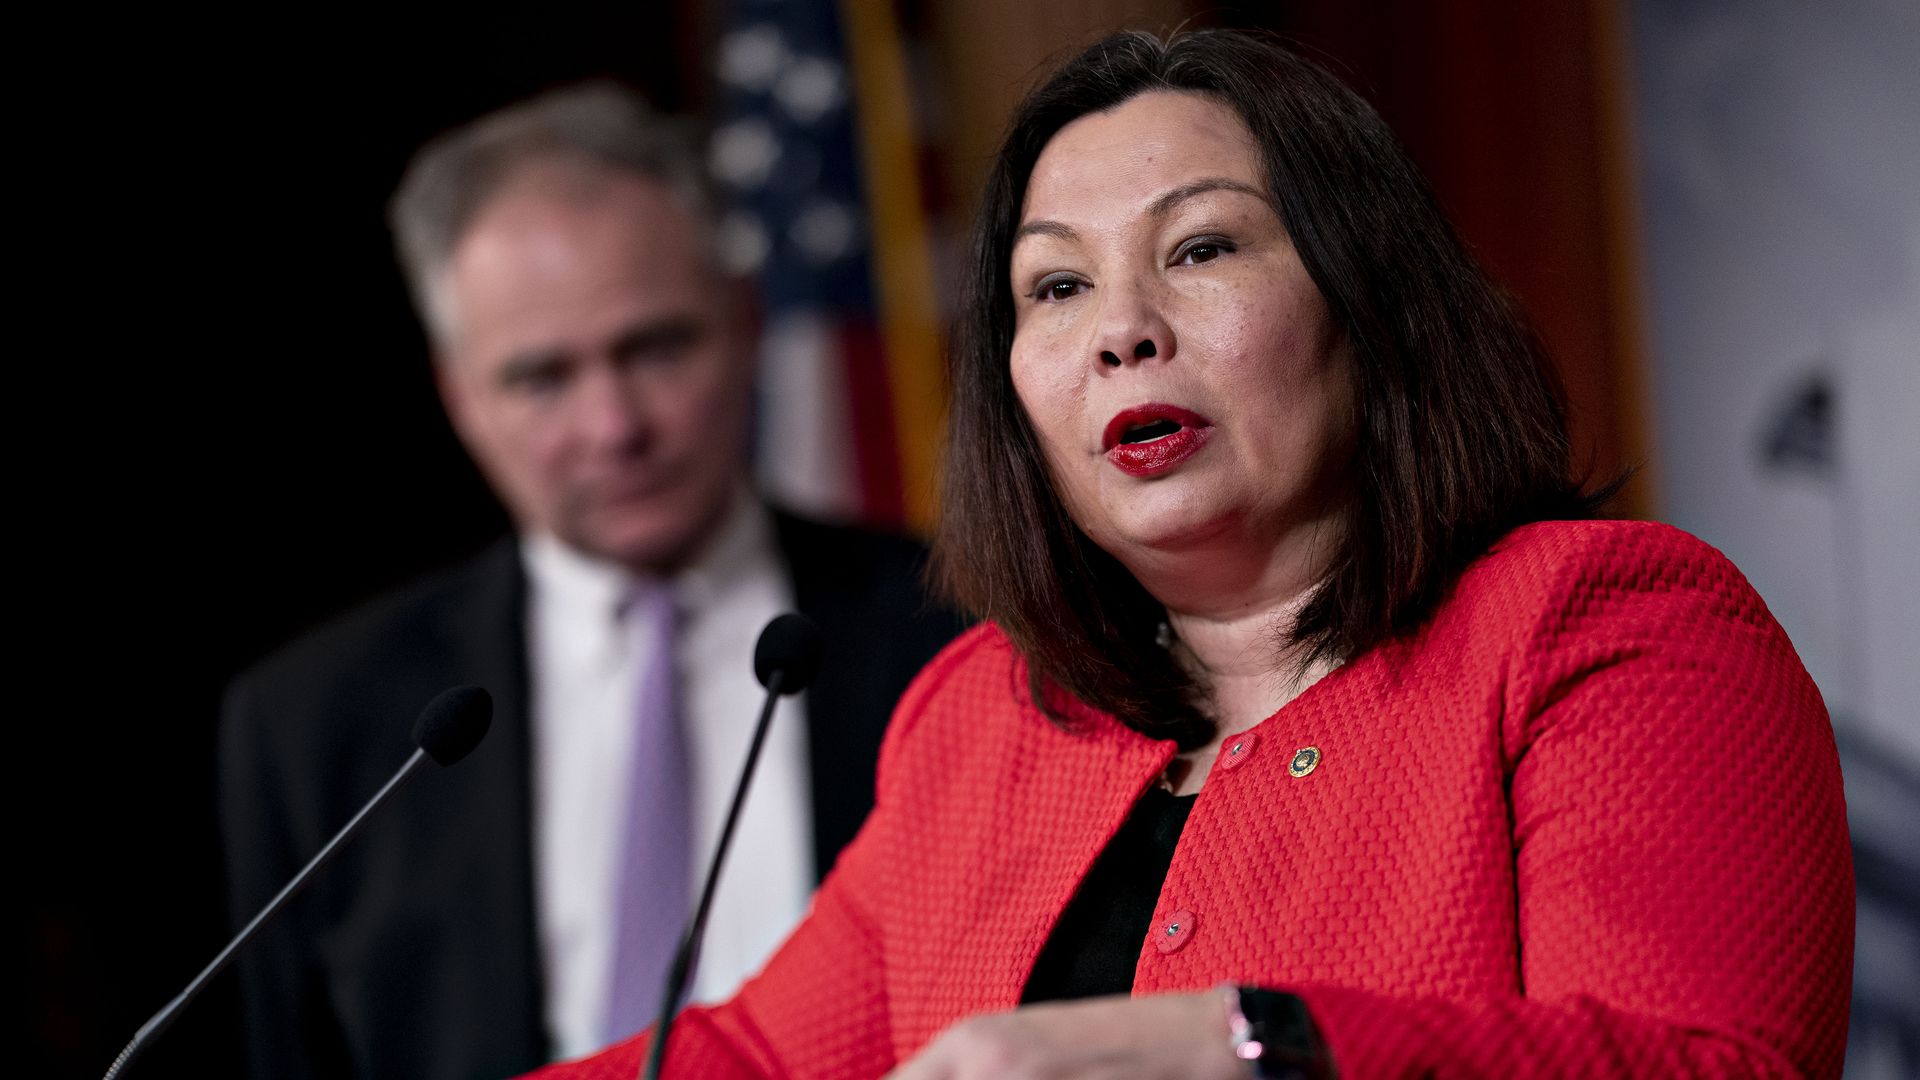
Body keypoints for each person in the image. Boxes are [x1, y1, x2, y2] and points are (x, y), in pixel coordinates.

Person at [524, 29, 1854, 1080]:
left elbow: (1707, 1063)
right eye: (1056, 287)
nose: (1122, 330)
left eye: (1202, 248)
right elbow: (761, 1059)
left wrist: (1248, 1048)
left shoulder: (1607, 629)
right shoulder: (991, 717)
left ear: (1369, 304)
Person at [217, 86, 962, 1080]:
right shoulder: (320, 725)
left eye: (656, 348)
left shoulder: (958, 631)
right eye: (541, 378)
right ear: (460, 395)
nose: (613, 427)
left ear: (745, 324)